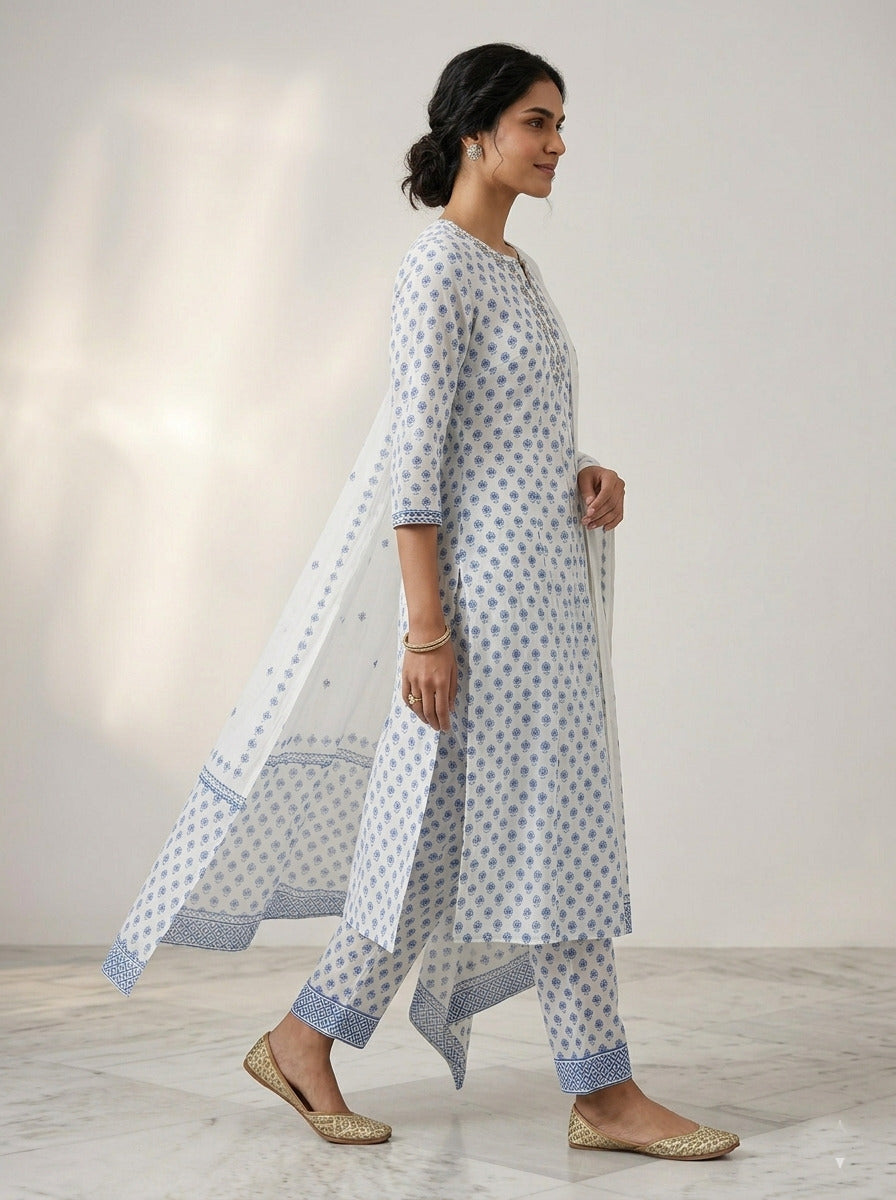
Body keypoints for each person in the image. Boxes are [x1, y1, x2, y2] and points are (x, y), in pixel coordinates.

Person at [104, 43, 739, 1160]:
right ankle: (603, 1095)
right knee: (552, 838)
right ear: (475, 132)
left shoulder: (514, 270)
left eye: (559, 124)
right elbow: (414, 463)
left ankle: (301, 1039)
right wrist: (427, 632)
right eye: (537, 121)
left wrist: (582, 469)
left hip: (541, 609)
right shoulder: (436, 268)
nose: (557, 144)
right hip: (478, 621)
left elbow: (501, 441)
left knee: (437, 853)